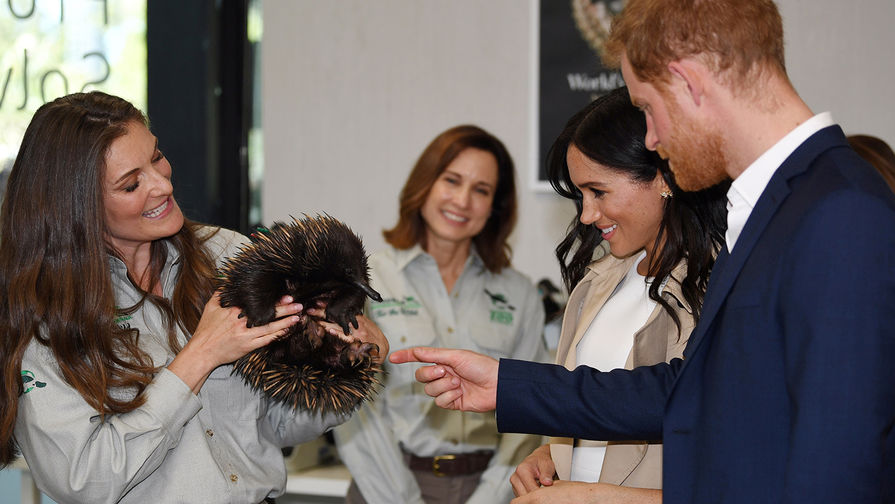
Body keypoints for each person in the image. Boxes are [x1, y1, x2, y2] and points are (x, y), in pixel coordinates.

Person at [391, 0, 895, 502]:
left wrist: (608, 499)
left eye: (649, 109)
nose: (652, 137)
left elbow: (837, 475)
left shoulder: (841, 212)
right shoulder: (781, 205)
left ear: (689, 82)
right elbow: (694, 392)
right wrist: (507, 384)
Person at [0, 91, 387, 504]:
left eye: (157, 156)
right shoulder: (42, 317)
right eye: (131, 184)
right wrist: (201, 355)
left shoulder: (226, 256)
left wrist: (345, 364)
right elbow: (83, 482)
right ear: (76, 207)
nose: (163, 184)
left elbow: (275, 423)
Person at [509, 86, 727, 503]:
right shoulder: (597, 280)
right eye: (581, 197)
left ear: (662, 178)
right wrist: (553, 454)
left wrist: (594, 497)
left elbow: (725, 457)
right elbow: (592, 404)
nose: (588, 215)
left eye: (599, 192)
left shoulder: (720, 286)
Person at [333, 125, 548, 504]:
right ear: (426, 184)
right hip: (386, 486)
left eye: (481, 190)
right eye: (452, 180)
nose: (463, 201)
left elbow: (530, 407)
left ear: (495, 205)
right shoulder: (367, 280)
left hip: (493, 489)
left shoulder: (520, 293)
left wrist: (491, 497)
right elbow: (355, 409)